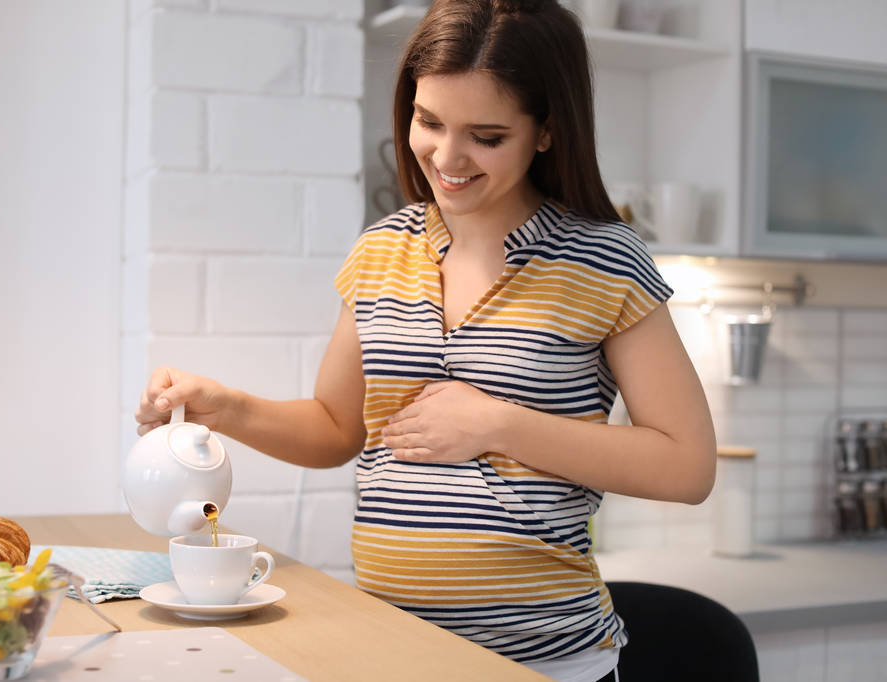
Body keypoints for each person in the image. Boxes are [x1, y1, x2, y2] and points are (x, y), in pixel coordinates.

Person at [135, 1, 716, 680]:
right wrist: (224, 406)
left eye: (486, 135)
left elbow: (686, 466)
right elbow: (335, 428)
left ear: (546, 130)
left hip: (546, 665)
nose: (446, 156)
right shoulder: (381, 251)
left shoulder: (603, 261)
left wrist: (496, 424)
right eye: (428, 121)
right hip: (393, 655)